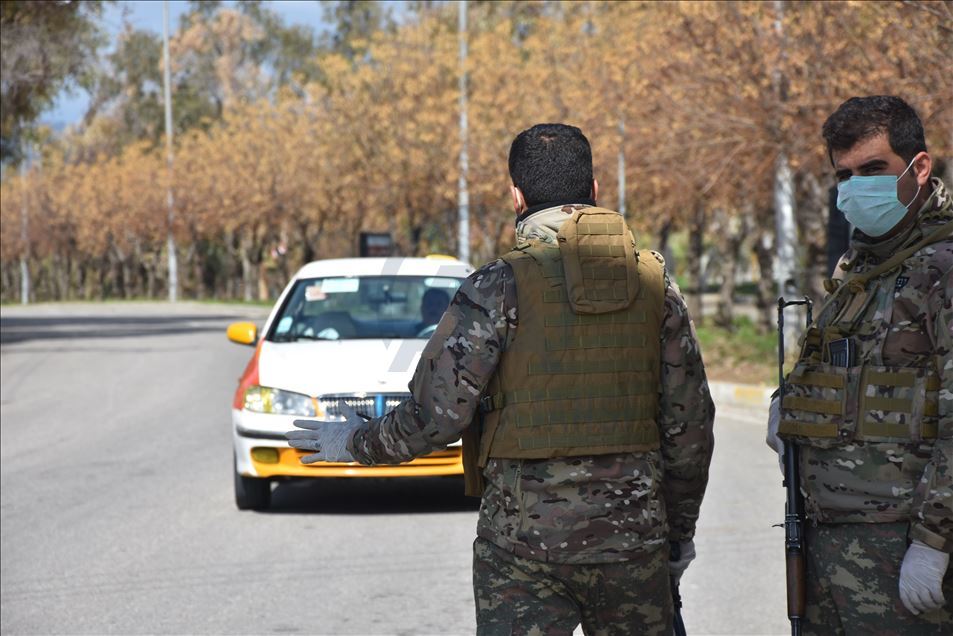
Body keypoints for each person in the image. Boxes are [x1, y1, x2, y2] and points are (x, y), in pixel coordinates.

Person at [288, 123, 715, 635]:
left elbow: (436, 417)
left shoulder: (496, 287)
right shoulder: (654, 285)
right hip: (634, 541)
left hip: (522, 547)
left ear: (517, 195)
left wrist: (356, 442)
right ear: (595, 191)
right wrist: (676, 535)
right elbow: (690, 428)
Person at [767, 96, 953, 634]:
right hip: (829, 539)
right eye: (845, 175)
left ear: (919, 168)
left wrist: (933, 543)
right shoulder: (862, 267)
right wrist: (789, 407)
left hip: (903, 548)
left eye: (874, 169)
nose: (857, 186)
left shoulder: (942, 268)